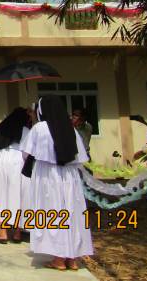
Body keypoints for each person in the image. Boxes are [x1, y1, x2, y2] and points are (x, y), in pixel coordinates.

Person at [21, 95, 92, 270]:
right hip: (70, 177)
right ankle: (72, 258)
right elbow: (81, 156)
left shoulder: (39, 128)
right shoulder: (70, 129)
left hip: (48, 175)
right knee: (71, 213)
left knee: (52, 212)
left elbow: (26, 153)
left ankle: (58, 258)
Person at [0, 107, 31, 244]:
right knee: (16, 194)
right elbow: (27, 152)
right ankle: (17, 232)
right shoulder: (26, 131)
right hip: (17, 160)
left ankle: (2, 232)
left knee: (0, 195)